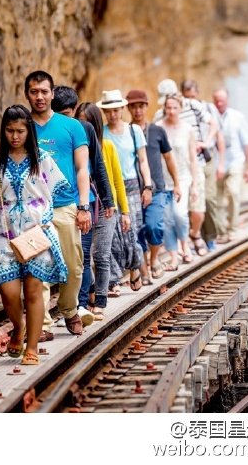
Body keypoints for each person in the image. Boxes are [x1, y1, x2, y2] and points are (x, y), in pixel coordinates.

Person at [0, 105, 69, 365]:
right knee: (9, 292)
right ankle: (18, 328)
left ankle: (32, 348)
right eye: (10, 130)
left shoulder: (43, 158)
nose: (15, 136)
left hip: (36, 233)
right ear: (3, 131)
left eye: (21, 131)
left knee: (34, 290)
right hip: (3, 236)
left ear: (29, 131)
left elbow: (54, 192)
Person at [24, 71, 91, 342]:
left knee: (74, 266)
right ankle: (42, 323)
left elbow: (82, 168)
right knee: (36, 267)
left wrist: (84, 206)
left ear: (52, 93)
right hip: (31, 208)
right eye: (33, 91)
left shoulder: (72, 127)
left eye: (44, 91)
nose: (39, 96)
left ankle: (69, 309)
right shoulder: (21, 126)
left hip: (65, 206)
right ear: (27, 94)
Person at [52, 85, 115, 326]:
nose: (65, 120)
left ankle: (77, 307)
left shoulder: (84, 129)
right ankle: (64, 308)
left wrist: (107, 200)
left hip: (82, 203)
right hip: (50, 204)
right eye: (60, 115)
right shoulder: (43, 129)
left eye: (68, 114)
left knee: (81, 256)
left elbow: (97, 165)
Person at [76, 102, 131, 319]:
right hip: (86, 205)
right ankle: (88, 295)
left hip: (107, 208)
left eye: (87, 121)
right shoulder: (75, 147)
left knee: (101, 255)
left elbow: (117, 181)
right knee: (83, 255)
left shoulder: (106, 146)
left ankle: (100, 300)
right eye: (79, 121)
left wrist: (123, 210)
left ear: (95, 124)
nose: (83, 126)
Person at [154, 78, 218, 254]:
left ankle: (196, 235)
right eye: (167, 105)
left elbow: (213, 123)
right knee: (176, 213)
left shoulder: (192, 105)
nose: (170, 109)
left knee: (198, 208)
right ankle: (181, 245)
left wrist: (205, 142)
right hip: (171, 172)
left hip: (195, 163)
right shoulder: (159, 117)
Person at [125, 89, 182, 282]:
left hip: (157, 188)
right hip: (132, 191)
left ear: (146, 106)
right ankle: (144, 269)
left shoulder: (157, 131)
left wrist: (177, 184)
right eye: (133, 106)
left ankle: (154, 258)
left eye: (141, 106)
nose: (138, 110)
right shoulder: (125, 132)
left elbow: (168, 158)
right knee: (138, 231)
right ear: (128, 108)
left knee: (154, 226)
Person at [98, 89, 151, 292]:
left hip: (130, 184)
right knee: (112, 234)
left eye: (116, 110)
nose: (112, 115)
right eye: (108, 111)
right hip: (110, 185)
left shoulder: (133, 131)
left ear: (122, 109)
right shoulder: (101, 132)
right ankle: (114, 279)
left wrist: (147, 185)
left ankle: (135, 266)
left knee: (130, 231)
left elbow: (143, 160)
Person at [181, 79, 227, 250]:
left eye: (193, 96)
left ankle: (210, 237)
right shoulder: (181, 109)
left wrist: (219, 159)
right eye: (187, 97)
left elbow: (219, 135)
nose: (191, 100)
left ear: (198, 93)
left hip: (206, 159)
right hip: (188, 162)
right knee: (191, 202)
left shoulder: (207, 109)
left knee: (208, 199)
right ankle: (194, 236)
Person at [156, 93, 199, 270]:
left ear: (180, 108)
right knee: (167, 218)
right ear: (164, 108)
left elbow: (193, 158)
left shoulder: (188, 129)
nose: (171, 111)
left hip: (183, 177)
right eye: (168, 107)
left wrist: (195, 184)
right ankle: (174, 257)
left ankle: (185, 243)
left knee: (180, 214)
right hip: (164, 179)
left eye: (175, 107)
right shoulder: (158, 128)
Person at [212, 88, 248, 239]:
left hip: (235, 161)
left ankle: (232, 228)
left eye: (222, 100)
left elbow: (247, 143)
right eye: (216, 100)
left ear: (227, 100)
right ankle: (220, 230)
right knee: (215, 198)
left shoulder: (237, 117)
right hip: (215, 163)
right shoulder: (209, 117)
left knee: (233, 192)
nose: (219, 103)